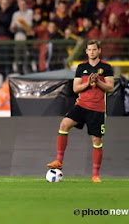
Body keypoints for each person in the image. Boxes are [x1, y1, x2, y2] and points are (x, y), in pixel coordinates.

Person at [47, 40, 114, 183]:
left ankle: (95, 175)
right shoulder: (81, 67)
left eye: (94, 49)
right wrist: (88, 83)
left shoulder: (106, 68)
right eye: (89, 50)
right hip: (82, 106)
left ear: (99, 51)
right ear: (86, 51)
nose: (92, 52)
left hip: (97, 109)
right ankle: (59, 161)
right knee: (64, 124)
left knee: (96, 140)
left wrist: (98, 82)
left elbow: (110, 88)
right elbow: (75, 88)